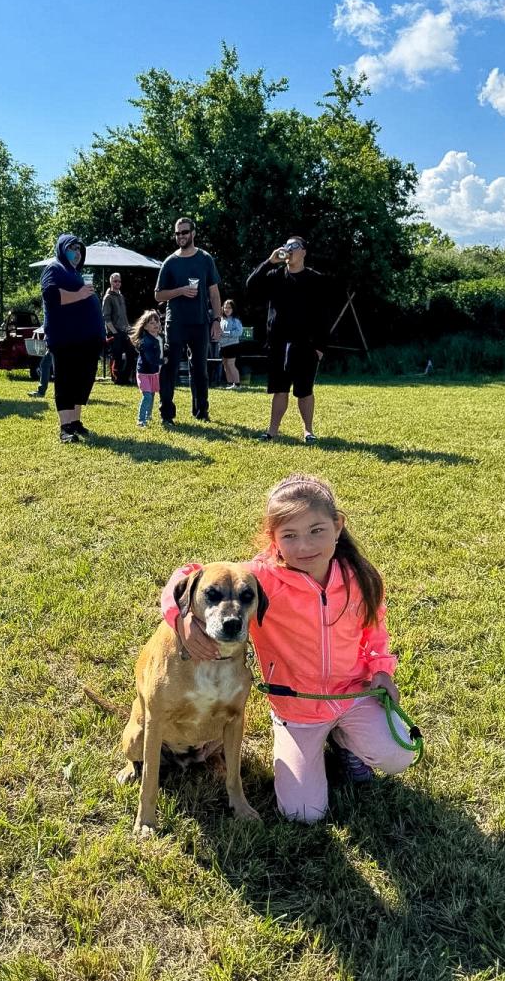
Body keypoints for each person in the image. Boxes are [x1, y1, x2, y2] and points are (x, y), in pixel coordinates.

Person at [160, 473, 418, 823]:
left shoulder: (360, 577)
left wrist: (381, 671)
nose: (304, 546)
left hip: (353, 696)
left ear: (338, 526)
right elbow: (185, 575)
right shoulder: (259, 579)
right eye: (289, 536)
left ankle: (345, 743)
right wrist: (182, 619)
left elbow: (375, 633)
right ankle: (314, 743)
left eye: (316, 531)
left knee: (399, 754)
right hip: (298, 711)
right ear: (274, 540)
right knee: (303, 813)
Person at [246, 237, 334, 443]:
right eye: (287, 245)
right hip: (277, 343)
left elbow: (324, 315)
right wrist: (269, 261)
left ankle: (308, 431)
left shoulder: (315, 279)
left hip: (305, 344)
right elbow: (251, 286)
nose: (289, 249)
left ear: (304, 252)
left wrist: (320, 347)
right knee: (279, 389)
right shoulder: (275, 276)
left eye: (294, 246)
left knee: (304, 391)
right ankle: (272, 431)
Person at [155, 217, 222, 424]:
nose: (181, 236)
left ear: (193, 233)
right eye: (177, 233)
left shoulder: (205, 258)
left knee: (200, 369)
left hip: (200, 322)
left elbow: (214, 293)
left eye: (184, 232)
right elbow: (158, 295)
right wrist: (181, 291)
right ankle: (167, 414)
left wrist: (216, 320)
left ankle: (201, 411)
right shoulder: (170, 262)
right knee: (170, 368)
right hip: (175, 322)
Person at [41, 233, 106, 443]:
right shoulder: (54, 268)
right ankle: (65, 426)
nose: (77, 253)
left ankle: (76, 421)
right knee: (66, 381)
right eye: (72, 248)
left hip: (87, 340)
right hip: (65, 338)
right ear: (62, 249)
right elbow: (50, 295)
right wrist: (80, 294)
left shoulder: (76, 273)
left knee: (82, 380)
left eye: (79, 249)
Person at [130, 310, 163, 428]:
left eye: (156, 322)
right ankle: (141, 420)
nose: (155, 325)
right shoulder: (146, 341)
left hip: (153, 372)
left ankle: (148, 415)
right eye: (151, 323)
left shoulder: (159, 338)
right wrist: (162, 361)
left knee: (152, 394)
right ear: (145, 327)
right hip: (144, 373)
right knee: (147, 396)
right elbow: (150, 359)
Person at [102, 272, 135, 385]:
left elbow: (123, 316)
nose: (117, 283)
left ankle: (125, 378)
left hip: (124, 331)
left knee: (131, 353)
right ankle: (118, 379)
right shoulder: (108, 297)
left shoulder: (121, 296)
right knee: (117, 357)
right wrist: (115, 333)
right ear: (111, 282)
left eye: (119, 281)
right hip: (114, 332)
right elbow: (106, 317)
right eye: (115, 281)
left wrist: (129, 329)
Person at [218, 299, 243, 389]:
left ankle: (237, 384)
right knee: (225, 364)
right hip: (222, 346)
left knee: (231, 364)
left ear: (233, 309)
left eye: (229, 308)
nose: (227, 309)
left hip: (232, 345)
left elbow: (239, 332)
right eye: (225, 307)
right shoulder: (221, 319)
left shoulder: (235, 320)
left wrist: (225, 333)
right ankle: (230, 383)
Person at [27, 325, 54, 398]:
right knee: (44, 364)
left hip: (56, 343)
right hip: (54, 343)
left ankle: (41, 392)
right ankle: (41, 391)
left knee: (48, 366)